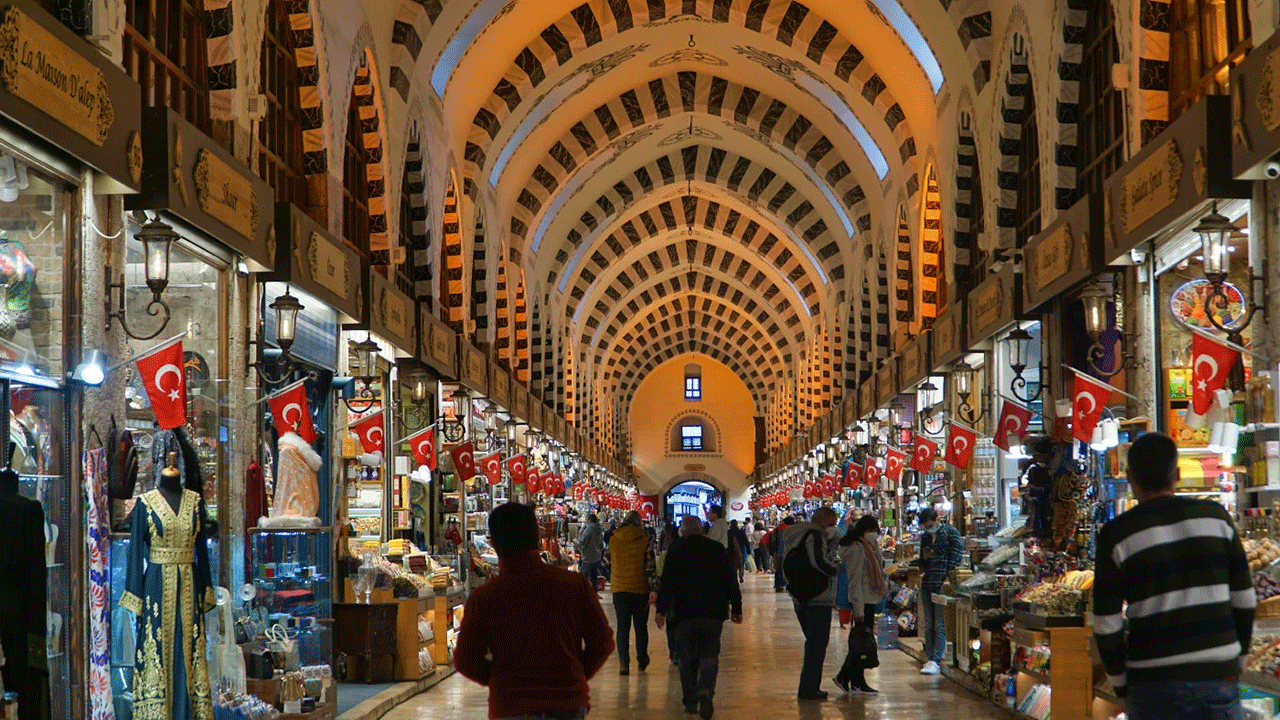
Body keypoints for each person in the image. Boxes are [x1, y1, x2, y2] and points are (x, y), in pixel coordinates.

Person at [1093, 432, 1254, 720]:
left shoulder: (1116, 535)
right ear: (1177, 474)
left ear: (1130, 478)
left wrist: (1119, 684)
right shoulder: (1216, 518)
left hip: (1152, 683)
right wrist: (1236, 660)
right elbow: (1245, 599)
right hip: (1217, 679)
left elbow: (1107, 624)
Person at [454, 503, 614, 720]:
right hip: (567, 702)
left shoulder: (484, 598)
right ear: (538, 536)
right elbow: (603, 641)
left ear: (493, 542)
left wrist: (499, 679)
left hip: (511, 705)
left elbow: (465, 660)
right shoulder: (575, 585)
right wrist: (576, 675)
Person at [656, 515, 742, 719]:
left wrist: (661, 609)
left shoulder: (676, 550)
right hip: (712, 612)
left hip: (683, 613)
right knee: (710, 653)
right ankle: (705, 689)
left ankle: (690, 701)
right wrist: (737, 607)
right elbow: (730, 580)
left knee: (686, 657)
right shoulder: (716, 549)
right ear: (702, 530)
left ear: (682, 532)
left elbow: (667, 582)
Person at [784, 506, 840, 700]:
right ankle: (809, 688)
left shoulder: (794, 536)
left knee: (812, 642)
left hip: (800, 594)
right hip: (819, 596)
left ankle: (809, 685)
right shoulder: (814, 535)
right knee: (817, 644)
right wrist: (835, 569)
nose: (834, 528)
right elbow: (819, 562)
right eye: (832, 524)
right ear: (823, 521)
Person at [834, 516, 887, 694]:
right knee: (861, 643)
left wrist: (875, 547)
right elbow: (854, 580)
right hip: (862, 600)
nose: (874, 534)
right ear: (862, 531)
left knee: (862, 642)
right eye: (871, 531)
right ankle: (845, 677)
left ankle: (856, 681)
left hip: (870, 599)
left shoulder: (868, 547)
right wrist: (858, 609)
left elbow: (879, 564)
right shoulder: (856, 549)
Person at [917, 506, 965, 675]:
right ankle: (930, 658)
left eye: (930, 525)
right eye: (926, 526)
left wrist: (948, 577)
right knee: (928, 624)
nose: (928, 528)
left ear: (937, 519)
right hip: (927, 582)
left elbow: (956, 556)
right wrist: (924, 559)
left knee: (939, 623)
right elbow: (921, 561)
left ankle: (936, 659)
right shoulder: (925, 537)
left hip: (941, 583)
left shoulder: (951, 533)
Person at [608, 510, 657, 675]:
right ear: (639, 522)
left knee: (622, 627)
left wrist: (616, 573)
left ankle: (623, 663)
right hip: (640, 589)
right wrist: (654, 589)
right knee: (640, 627)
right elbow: (650, 568)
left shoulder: (614, 539)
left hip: (619, 590)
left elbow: (606, 561)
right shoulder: (645, 540)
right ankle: (642, 659)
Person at [576, 514, 605, 593]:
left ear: (589, 520)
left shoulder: (589, 529)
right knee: (594, 577)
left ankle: (580, 593)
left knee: (582, 577)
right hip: (596, 556)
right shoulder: (599, 529)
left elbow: (582, 541)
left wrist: (576, 542)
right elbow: (602, 544)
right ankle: (594, 594)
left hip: (588, 557)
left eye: (586, 519)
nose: (585, 521)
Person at [772, 515, 795, 593]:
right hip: (784, 553)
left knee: (779, 569)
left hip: (779, 552)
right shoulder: (787, 530)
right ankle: (782, 585)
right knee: (783, 570)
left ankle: (778, 584)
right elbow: (784, 543)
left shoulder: (779, 529)